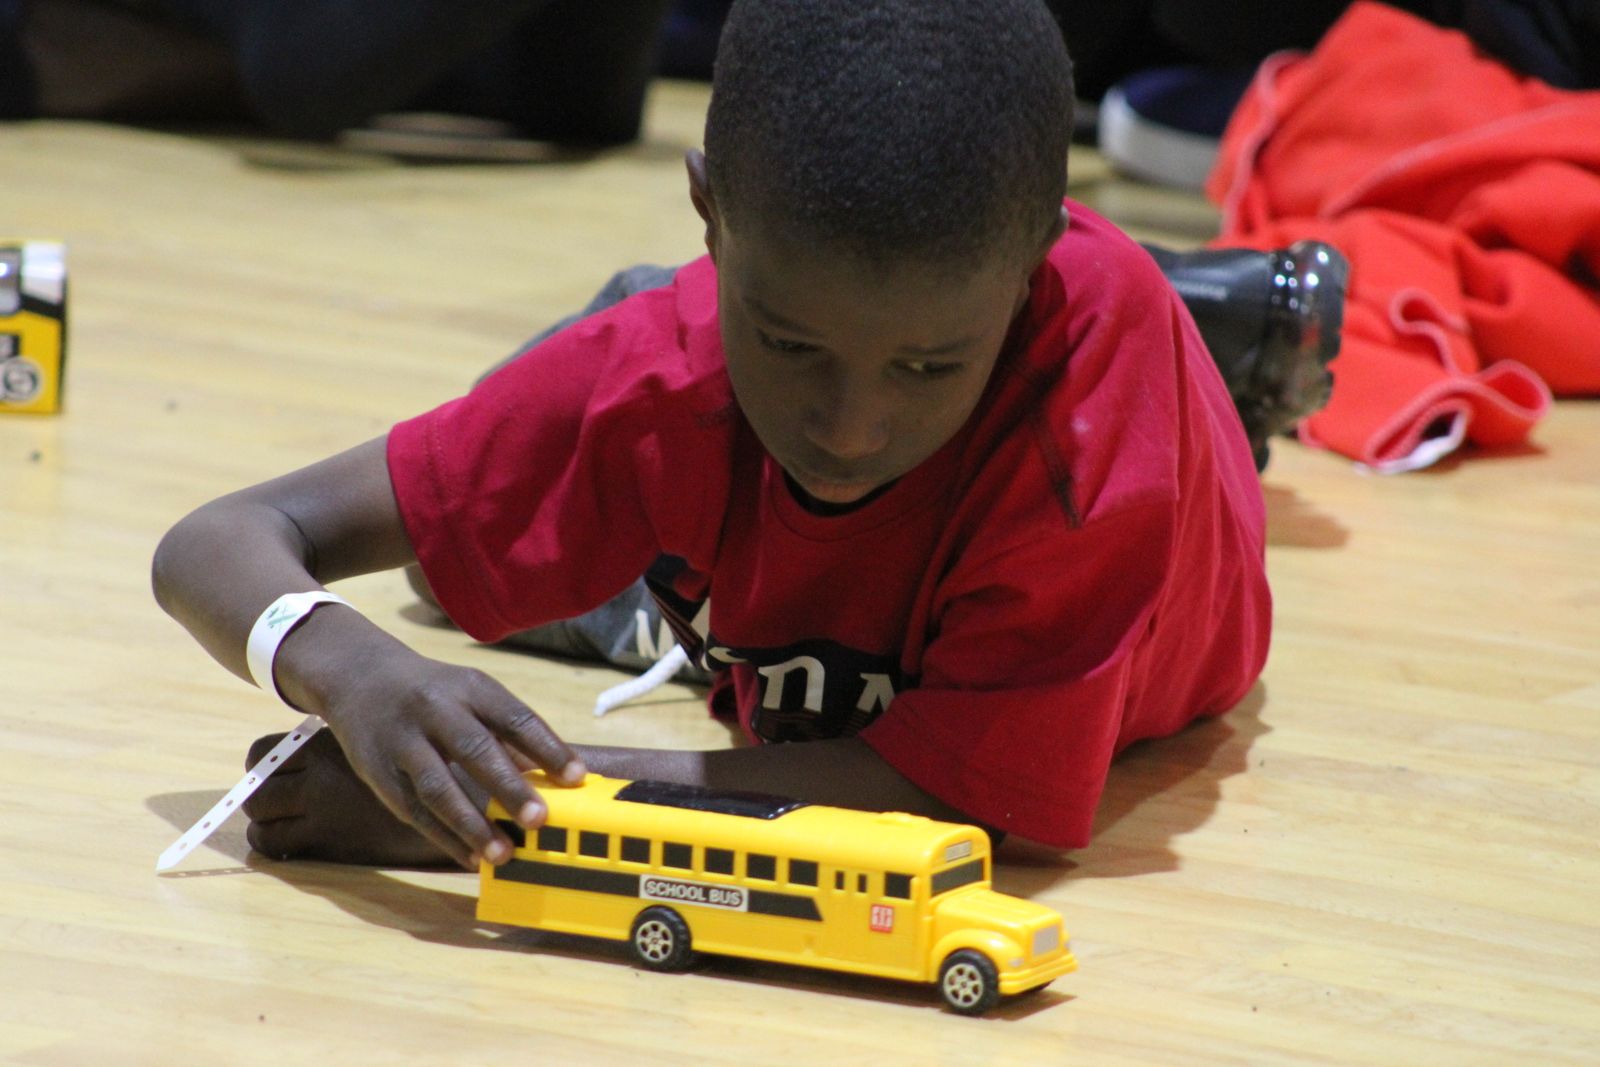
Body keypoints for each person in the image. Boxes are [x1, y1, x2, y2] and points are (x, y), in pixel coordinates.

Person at [153, 0, 1275, 872]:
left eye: (928, 367)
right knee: (434, 586)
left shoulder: (1085, 441)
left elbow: (954, 805)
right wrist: (354, 670)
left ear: (1030, 273)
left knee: (554, 580)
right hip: (734, 496)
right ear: (708, 216)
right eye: (790, 344)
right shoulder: (669, 372)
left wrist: (497, 806)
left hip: (1042, 513)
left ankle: (1197, 339)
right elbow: (215, 540)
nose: (849, 428)